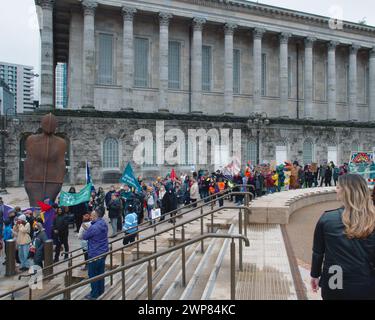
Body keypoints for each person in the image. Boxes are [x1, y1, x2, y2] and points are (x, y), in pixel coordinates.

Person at [311, 174, 375, 300]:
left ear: (347, 191)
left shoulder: (327, 218)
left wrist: (315, 275)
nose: (336, 189)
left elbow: (318, 252)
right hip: (365, 280)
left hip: (335, 278)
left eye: (338, 187)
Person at [82, 210, 109, 300]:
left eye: (92, 216)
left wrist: (86, 228)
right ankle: (101, 290)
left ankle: (94, 294)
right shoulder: (103, 223)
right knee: (100, 272)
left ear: (96, 216)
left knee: (93, 274)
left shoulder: (93, 227)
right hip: (103, 251)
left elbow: (85, 236)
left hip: (95, 253)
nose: (90, 217)